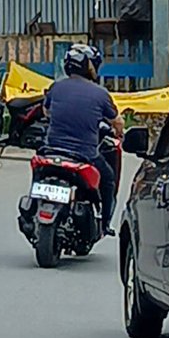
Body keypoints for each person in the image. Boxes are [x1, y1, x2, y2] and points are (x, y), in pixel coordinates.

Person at [42, 44, 125, 230]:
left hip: (51, 150)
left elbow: (46, 112)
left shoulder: (56, 87)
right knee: (108, 179)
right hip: (85, 154)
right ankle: (104, 223)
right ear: (91, 66)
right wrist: (120, 133)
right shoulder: (100, 94)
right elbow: (118, 122)